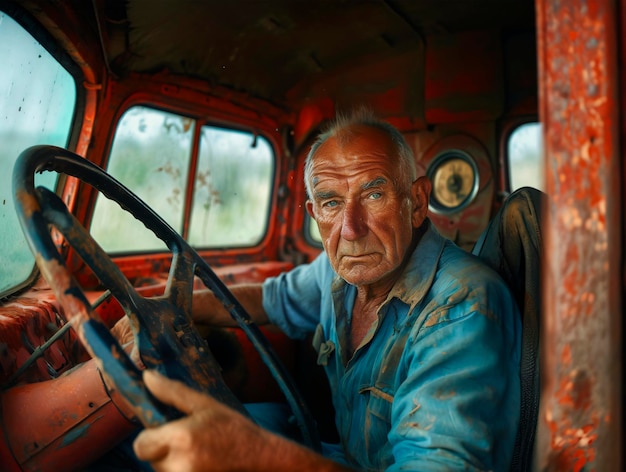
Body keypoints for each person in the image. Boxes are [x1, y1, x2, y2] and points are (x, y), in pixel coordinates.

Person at [131, 109, 522, 471]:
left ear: (417, 202)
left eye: (373, 194)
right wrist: (167, 307)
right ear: (314, 213)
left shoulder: (461, 306)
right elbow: (270, 299)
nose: (350, 229)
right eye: (331, 203)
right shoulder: (340, 272)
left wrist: (258, 457)